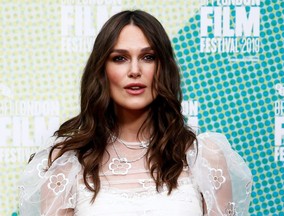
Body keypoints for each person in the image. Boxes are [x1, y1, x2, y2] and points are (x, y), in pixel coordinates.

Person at [19, 10, 252, 216]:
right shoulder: (67, 161)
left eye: (148, 57)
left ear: (163, 68)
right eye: (119, 58)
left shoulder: (204, 156)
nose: (134, 70)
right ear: (102, 70)